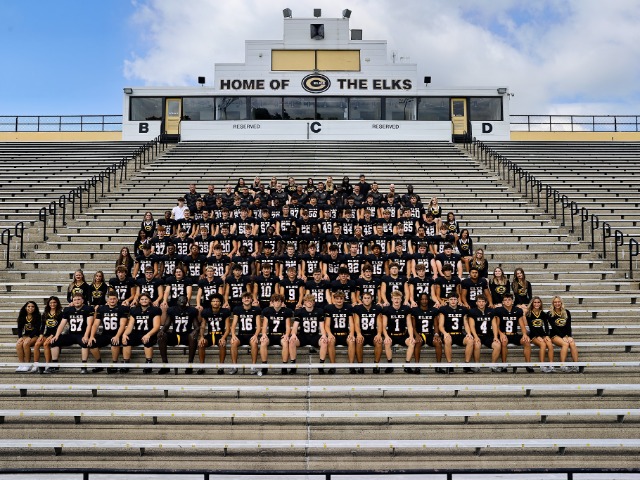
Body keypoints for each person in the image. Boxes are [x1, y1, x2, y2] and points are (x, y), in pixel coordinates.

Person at [49, 293, 95, 374]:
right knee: (55, 341)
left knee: (85, 343)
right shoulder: (68, 310)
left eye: (79, 299)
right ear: (72, 301)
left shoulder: (88, 309)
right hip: (71, 334)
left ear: (83, 300)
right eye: (75, 300)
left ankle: (84, 366)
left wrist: (86, 336)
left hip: (82, 334)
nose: (77, 301)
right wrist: (56, 335)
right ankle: (55, 365)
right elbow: (62, 324)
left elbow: (89, 324)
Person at [157, 295, 199, 374]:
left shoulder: (192, 311)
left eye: (184, 299)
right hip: (175, 335)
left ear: (187, 301)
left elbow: (197, 326)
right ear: (177, 302)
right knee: (161, 337)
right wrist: (161, 331)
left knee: (193, 337)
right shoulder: (172, 310)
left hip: (187, 335)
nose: (182, 301)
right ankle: (165, 364)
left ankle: (190, 365)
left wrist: (195, 331)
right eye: (180, 299)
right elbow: (166, 325)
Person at [91, 290, 130, 374]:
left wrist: (117, 336)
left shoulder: (122, 309)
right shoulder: (102, 309)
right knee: (92, 343)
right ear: (107, 300)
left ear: (117, 300)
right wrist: (91, 336)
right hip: (105, 334)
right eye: (110, 299)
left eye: (114, 299)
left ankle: (114, 363)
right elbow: (95, 324)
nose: (112, 301)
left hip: (117, 333)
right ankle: (99, 363)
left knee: (114, 342)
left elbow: (122, 325)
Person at [122, 293, 162, 374]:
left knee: (147, 340)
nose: (144, 301)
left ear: (149, 300)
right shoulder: (134, 310)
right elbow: (130, 326)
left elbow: (156, 327)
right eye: (142, 299)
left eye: (146, 299)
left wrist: (148, 334)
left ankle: (149, 362)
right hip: (137, 332)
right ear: (139, 301)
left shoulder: (155, 310)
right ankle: (126, 363)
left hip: (150, 333)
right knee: (127, 339)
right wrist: (124, 334)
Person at [492, 293, 532, 373]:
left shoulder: (517, 310)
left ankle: (528, 364)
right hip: (504, 334)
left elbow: (521, 324)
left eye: (509, 300)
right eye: (505, 300)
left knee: (527, 341)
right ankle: (504, 365)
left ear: (512, 301)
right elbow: (497, 325)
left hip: (514, 334)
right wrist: (501, 333)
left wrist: (524, 334)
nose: (507, 301)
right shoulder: (499, 310)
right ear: (502, 302)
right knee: (504, 341)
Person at [378, 290, 415, 373]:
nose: (396, 300)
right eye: (395, 298)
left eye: (398, 298)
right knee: (387, 342)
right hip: (391, 334)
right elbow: (383, 326)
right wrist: (386, 336)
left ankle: (407, 365)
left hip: (402, 335)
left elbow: (409, 325)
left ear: (401, 299)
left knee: (412, 343)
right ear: (391, 299)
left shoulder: (406, 309)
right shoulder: (387, 310)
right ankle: (390, 365)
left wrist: (411, 336)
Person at [290, 294, 327, 374]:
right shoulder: (300, 312)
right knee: (292, 341)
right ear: (304, 302)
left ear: (314, 302)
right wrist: (293, 334)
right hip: (303, 336)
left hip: (315, 336)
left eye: (311, 301)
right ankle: (293, 365)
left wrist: (324, 335)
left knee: (324, 342)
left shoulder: (319, 311)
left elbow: (322, 327)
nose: (309, 302)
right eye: (307, 301)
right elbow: (295, 327)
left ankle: (321, 366)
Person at [438, 294, 474, 373]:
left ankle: (466, 366)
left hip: (459, 334)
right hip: (449, 333)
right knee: (447, 340)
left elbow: (466, 323)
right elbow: (440, 325)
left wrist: (468, 333)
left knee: (470, 340)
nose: (453, 301)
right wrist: (445, 333)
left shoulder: (462, 309)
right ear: (448, 300)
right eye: (451, 299)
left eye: (455, 299)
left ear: (458, 300)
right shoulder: (443, 309)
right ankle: (449, 365)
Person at [260, 293, 293, 375]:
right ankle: (264, 365)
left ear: (282, 303)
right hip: (271, 335)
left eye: (279, 301)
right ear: (272, 302)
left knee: (285, 343)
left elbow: (288, 326)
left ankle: (284, 366)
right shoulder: (267, 311)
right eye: (275, 301)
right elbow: (264, 326)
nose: (277, 303)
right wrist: (264, 334)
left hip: (281, 335)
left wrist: (286, 335)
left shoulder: (286, 311)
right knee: (263, 342)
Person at [230, 292, 262, 375]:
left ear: (251, 299)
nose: (246, 299)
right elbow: (233, 325)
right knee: (233, 342)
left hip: (251, 335)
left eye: (248, 298)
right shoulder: (237, 309)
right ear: (242, 300)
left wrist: (255, 335)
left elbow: (259, 326)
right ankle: (234, 366)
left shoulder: (256, 310)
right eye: (245, 298)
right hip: (241, 335)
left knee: (254, 343)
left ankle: (253, 366)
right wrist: (233, 335)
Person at [198, 293, 231, 374]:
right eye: (214, 301)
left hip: (220, 335)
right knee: (201, 344)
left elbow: (228, 328)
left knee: (222, 344)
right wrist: (201, 337)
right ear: (211, 302)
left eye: (217, 301)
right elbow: (202, 326)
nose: (215, 302)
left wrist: (223, 338)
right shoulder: (206, 312)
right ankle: (202, 366)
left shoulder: (225, 312)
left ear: (220, 303)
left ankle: (221, 367)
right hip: (210, 334)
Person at [323, 291, 355, 374]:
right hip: (334, 334)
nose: (339, 300)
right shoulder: (330, 308)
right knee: (330, 341)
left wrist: (351, 333)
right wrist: (329, 334)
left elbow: (351, 323)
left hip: (344, 334)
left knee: (351, 341)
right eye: (337, 299)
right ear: (334, 299)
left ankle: (351, 366)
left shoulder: (348, 307)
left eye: (341, 299)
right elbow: (327, 325)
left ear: (344, 299)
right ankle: (332, 366)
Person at [466, 294, 500, 370]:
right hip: (478, 334)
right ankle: (477, 365)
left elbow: (494, 325)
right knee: (477, 345)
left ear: (486, 302)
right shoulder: (472, 311)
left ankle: (493, 365)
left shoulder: (491, 311)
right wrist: (475, 336)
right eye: (479, 301)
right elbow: (472, 326)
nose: (481, 303)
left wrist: (495, 337)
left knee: (497, 345)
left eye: (483, 301)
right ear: (476, 303)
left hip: (488, 335)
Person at [411, 292, 442, 374]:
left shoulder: (433, 310)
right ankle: (417, 366)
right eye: (422, 299)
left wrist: (436, 334)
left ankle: (438, 366)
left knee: (438, 342)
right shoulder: (415, 310)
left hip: (429, 334)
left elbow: (436, 325)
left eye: (426, 299)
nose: (424, 301)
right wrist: (416, 335)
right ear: (419, 300)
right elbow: (413, 326)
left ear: (428, 300)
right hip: (419, 334)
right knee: (417, 342)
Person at [352, 291, 381, 373]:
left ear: (372, 299)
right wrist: (358, 334)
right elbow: (356, 323)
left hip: (372, 333)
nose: (367, 300)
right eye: (365, 298)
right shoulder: (358, 309)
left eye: (368, 298)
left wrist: (379, 334)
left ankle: (376, 365)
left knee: (379, 341)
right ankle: (360, 365)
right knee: (358, 341)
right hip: (362, 333)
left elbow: (379, 323)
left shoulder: (377, 308)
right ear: (362, 299)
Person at [549, 295, 579, 372]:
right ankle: (562, 365)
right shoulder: (550, 313)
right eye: (555, 302)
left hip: (565, 335)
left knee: (572, 343)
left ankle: (576, 365)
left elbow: (568, 326)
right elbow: (554, 327)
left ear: (561, 303)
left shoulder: (567, 312)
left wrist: (569, 336)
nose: (557, 304)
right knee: (565, 344)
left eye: (559, 302)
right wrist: (563, 337)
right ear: (553, 303)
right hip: (555, 335)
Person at [33, 296, 62, 373]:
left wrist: (52, 335)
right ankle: (36, 364)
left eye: (54, 302)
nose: (52, 304)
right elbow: (42, 325)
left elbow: (60, 326)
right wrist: (41, 334)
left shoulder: (60, 313)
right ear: (48, 303)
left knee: (46, 344)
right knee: (37, 344)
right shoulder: (46, 313)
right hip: (47, 334)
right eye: (51, 302)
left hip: (56, 334)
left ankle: (48, 364)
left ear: (57, 303)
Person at [526, 296, 554, 373]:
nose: (536, 304)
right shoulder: (528, 314)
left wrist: (547, 335)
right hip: (533, 334)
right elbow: (531, 327)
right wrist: (537, 336)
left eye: (538, 302)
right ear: (532, 303)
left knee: (550, 344)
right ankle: (542, 365)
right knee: (543, 345)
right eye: (535, 302)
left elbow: (546, 326)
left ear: (540, 303)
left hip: (542, 334)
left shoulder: (543, 314)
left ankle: (551, 364)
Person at [15, 301, 41, 372]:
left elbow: (37, 329)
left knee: (26, 344)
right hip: (25, 335)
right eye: (29, 306)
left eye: (32, 306)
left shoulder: (38, 316)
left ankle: (27, 363)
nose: (30, 308)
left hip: (35, 335)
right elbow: (19, 328)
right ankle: (21, 364)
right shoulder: (22, 316)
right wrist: (20, 337)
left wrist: (30, 337)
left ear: (35, 308)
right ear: (25, 307)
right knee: (19, 344)